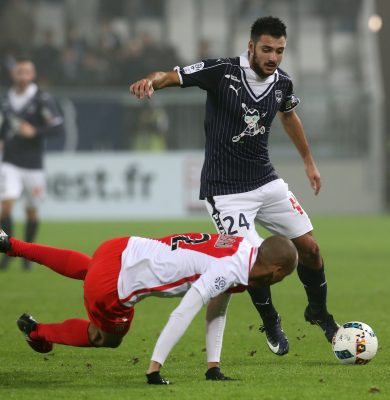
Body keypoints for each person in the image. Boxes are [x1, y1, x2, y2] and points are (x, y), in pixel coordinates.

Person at [129, 16, 338, 356]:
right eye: (267, 49)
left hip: (266, 180)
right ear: (251, 47)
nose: (273, 57)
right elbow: (171, 75)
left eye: (280, 51)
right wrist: (150, 82)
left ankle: (318, 312)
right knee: (250, 261)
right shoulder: (221, 71)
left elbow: (288, 116)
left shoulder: (282, 82)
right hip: (225, 190)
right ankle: (269, 318)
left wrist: (309, 161)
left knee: (311, 250)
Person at [0, 228, 298, 384]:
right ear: (277, 272)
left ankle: (11, 245)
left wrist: (213, 367)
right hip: (112, 287)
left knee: (89, 266)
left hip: (121, 248)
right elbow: (184, 311)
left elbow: (218, 306)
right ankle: (38, 332)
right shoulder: (229, 270)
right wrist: (154, 368)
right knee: (107, 337)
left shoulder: (243, 247)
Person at [0, 58, 64, 271]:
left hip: (33, 164)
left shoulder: (42, 99)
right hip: (10, 161)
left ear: (32, 75)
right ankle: (8, 250)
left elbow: (58, 127)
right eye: (19, 72)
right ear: (14, 75)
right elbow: (6, 123)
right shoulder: (6, 99)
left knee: (31, 211)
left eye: (26, 72)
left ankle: (27, 254)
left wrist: (36, 132)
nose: (22, 75)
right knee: (6, 206)